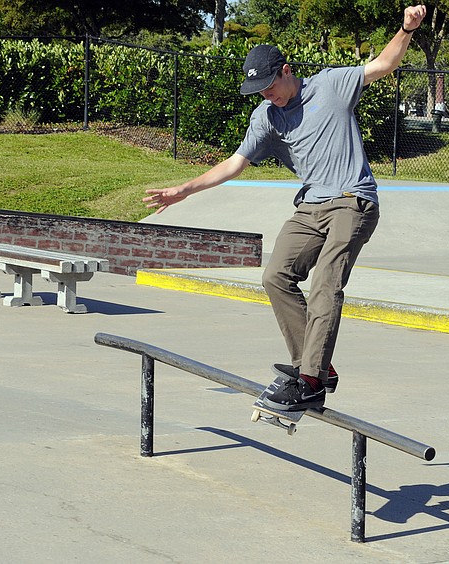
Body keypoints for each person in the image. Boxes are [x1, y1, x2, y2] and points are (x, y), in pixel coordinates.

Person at [144, 5, 428, 412]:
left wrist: (406, 29)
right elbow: (235, 163)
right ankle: (317, 367)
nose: (266, 96)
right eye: (259, 91)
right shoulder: (266, 116)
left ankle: (310, 381)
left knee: (326, 285)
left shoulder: (331, 86)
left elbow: (383, 63)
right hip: (310, 207)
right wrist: (184, 190)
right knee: (275, 277)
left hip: (353, 201)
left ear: (286, 70)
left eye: (269, 87)